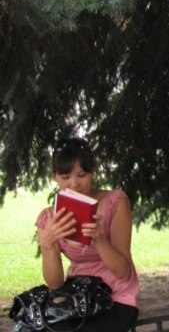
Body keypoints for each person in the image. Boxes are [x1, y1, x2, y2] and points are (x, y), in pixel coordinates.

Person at [36, 137, 140, 331]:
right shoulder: (48, 218)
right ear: (55, 177)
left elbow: (122, 271)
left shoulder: (115, 203)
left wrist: (98, 238)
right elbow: (55, 284)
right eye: (65, 177)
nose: (74, 184)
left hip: (117, 297)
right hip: (78, 298)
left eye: (81, 175)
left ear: (93, 172)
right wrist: (47, 244)